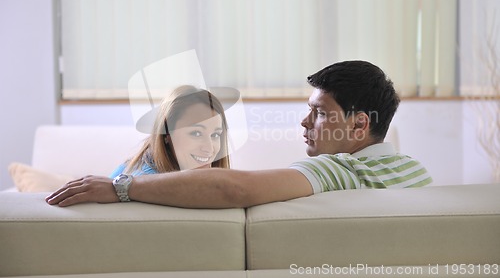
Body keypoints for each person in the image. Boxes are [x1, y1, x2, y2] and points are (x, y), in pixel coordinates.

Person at [46, 60, 432, 208]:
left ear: (359, 124)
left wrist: (121, 187)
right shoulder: (417, 173)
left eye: (318, 113)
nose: (304, 122)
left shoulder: (340, 171)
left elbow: (235, 189)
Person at [111, 85, 231, 178]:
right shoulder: (147, 183)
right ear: (166, 134)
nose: (209, 148)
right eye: (196, 133)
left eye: (215, 135)